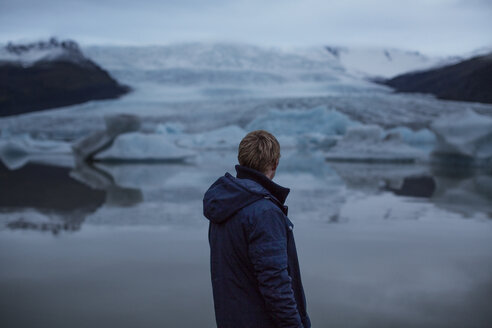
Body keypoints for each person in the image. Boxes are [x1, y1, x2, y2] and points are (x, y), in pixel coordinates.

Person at [203, 130, 311, 328]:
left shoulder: (225, 204)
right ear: (275, 163)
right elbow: (276, 286)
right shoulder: (264, 213)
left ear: (241, 159)